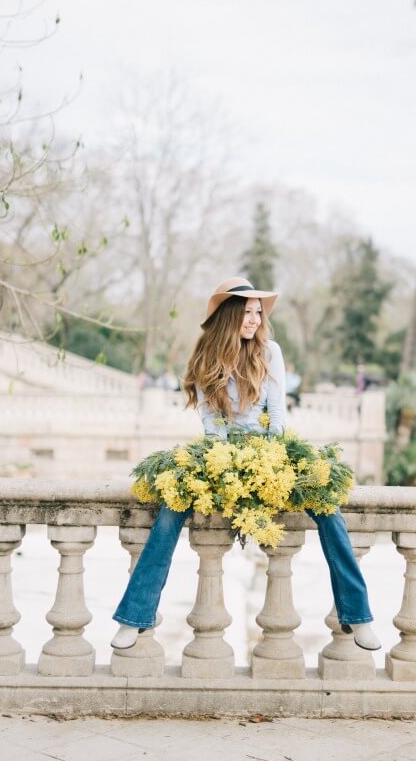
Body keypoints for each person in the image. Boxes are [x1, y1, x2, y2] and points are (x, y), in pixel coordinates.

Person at [111, 276, 380, 651]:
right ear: (229, 315)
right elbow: (212, 424)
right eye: (247, 312)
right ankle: (135, 616)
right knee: (170, 510)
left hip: (270, 447)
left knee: (328, 506)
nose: (254, 319)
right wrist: (226, 466)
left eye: (258, 313)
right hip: (221, 450)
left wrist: (271, 460)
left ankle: (358, 615)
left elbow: (278, 414)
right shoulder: (205, 357)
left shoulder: (270, 352)